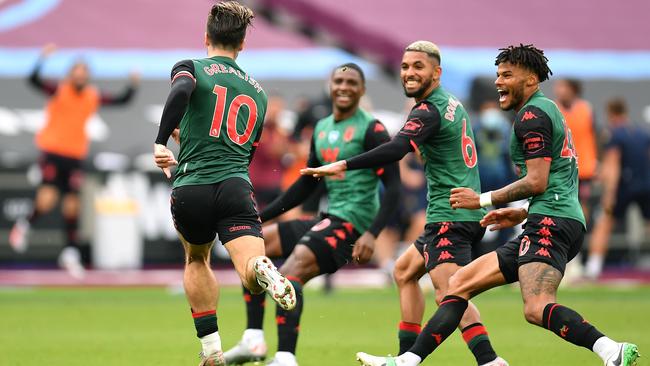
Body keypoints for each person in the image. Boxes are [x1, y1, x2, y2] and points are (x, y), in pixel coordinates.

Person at [350, 44, 639, 366]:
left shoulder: (532, 116)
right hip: (551, 218)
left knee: (536, 306)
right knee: (458, 284)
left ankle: (611, 349)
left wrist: (482, 199)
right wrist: (522, 211)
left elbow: (537, 181)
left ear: (530, 80)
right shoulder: (548, 109)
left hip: (551, 224)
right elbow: (556, 182)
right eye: (497, 75)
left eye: (507, 75)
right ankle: (413, 360)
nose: (498, 82)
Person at [302, 41, 507, 366]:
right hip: (453, 212)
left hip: (449, 216)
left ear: (437, 73)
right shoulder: (451, 103)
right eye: (405, 67)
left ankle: (487, 360)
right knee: (404, 271)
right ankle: (405, 356)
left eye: (418, 67)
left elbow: (397, 148)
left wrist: (343, 163)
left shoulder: (429, 109)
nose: (409, 73)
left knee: (450, 293)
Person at [223, 63, 401, 366]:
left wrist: (372, 232)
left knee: (290, 274)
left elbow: (394, 188)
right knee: (255, 246)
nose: (344, 87)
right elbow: (307, 184)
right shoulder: (322, 127)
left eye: (351, 82)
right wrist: (259, 219)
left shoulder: (372, 129)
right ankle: (253, 338)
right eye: (339, 81)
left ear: (362, 90)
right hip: (329, 218)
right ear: (330, 86)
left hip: (352, 225)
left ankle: (285, 357)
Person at [152, 3, 296, 365]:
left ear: (206, 37)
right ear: (242, 45)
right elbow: (236, 147)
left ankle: (212, 350)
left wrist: (161, 141)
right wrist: (186, 140)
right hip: (234, 185)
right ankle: (263, 268)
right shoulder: (258, 93)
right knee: (250, 271)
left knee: (196, 258)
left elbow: (181, 92)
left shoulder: (191, 67)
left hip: (192, 186)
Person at [9, 43, 139, 278]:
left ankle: (69, 253)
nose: (80, 76)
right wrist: (41, 59)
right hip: (52, 152)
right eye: (77, 72)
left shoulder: (91, 96)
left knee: (72, 206)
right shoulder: (59, 90)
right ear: (71, 75)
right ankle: (24, 225)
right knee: (47, 200)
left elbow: (121, 101)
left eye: (84, 73)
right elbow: (33, 80)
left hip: (74, 156)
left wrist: (133, 84)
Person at [584, 98, 650, 279]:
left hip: (624, 187)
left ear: (610, 114)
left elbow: (613, 166)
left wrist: (609, 194)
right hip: (646, 184)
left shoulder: (614, 134)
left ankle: (593, 267)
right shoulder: (642, 133)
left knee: (604, 224)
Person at [554, 78, 598, 223]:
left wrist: (598, 162)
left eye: (564, 87)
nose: (560, 91)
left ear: (573, 90)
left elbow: (595, 136)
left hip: (584, 167)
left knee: (583, 203)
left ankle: (580, 234)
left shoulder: (586, 109)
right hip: (562, 167)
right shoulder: (553, 109)